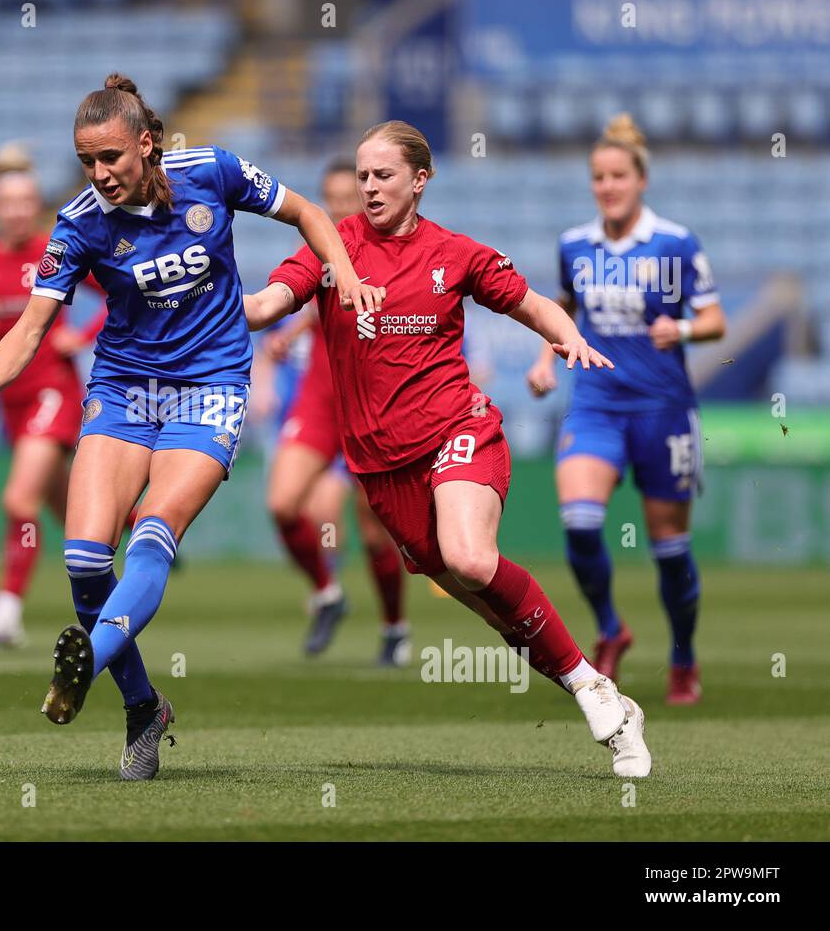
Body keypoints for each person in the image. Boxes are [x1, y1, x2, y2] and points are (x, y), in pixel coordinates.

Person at [0, 74, 381, 780]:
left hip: (210, 387)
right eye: (87, 161)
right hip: (122, 392)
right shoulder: (79, 224)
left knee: (154, 529)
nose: (100, 174)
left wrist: (345, 274)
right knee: (86, 561)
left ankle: (96, 656)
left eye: (111, 157)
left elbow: (307, 212)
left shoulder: (213, 171)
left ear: (146, 145)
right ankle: (142, 706)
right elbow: (32, 325)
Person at [243, 121, 651, 777]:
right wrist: (206, 310)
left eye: (383, 175)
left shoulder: (454, 253)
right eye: (362, 175)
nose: (368, 187)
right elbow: (267, 304)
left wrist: (567, 337)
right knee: (494, 609)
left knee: (469, 555)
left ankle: (590, 688)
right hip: (381, 468)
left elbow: (530, 303)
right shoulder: (332, 248)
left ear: (419, 180)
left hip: (459, 430)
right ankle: (601, 692)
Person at [526, 114, 726, 705]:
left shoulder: (675, 242)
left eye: (617, 175)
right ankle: (611, 628)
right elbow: (558, 308)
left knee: (669, 549)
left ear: (641, 179)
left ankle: (684, 657)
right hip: (596, 404)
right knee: (581, 522)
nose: (607, 186)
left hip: (663, 409)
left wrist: (683, 328)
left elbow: (716, 322)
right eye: (598, 177)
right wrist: (545, 358)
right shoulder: (574, 245)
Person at [0, 146, 107, 646]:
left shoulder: (56, 248)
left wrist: (80, 338)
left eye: (25, 201)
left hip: (54, 394)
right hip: (9, 401)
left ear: (36, 203)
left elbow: (117, 294)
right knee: (73, 510)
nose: (16, 210)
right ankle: (137, 527)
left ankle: (6, 611)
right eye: (7, 202)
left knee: (19, 500)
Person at [261, 157, 409, 663]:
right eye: (334, 198)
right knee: (282, 504)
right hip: (322, 396)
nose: (344, 206)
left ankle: (394, 627)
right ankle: (328, 593)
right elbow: (314, 300)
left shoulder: (391, 250)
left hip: (374, 404)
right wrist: (291, 333)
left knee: (373, 531)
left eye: (352, 195)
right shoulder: (319, 247)